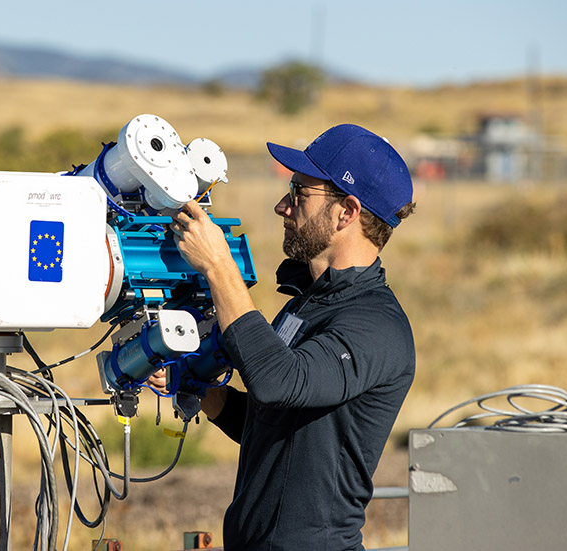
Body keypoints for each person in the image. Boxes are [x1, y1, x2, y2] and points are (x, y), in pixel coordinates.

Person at [161, 123, 416, 551]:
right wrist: (206, 393)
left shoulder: (376, 325)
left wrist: (219, 266)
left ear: (347, 212)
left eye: (299, 192)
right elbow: (276, 424)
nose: (283, 206)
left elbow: (279, 382)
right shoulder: (307, 303)